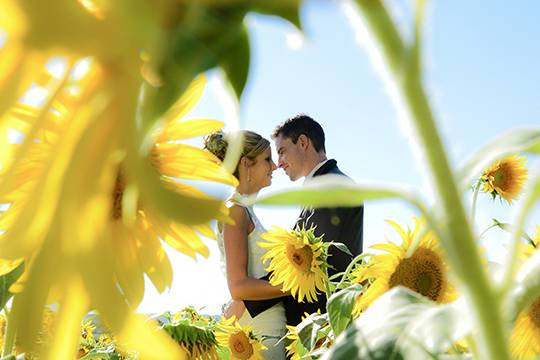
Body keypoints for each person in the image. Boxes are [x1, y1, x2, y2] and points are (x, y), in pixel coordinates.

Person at [244, 114, 364, 326]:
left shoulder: (332, 187)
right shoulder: (322, 186)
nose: (279, 163)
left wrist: (247, 301)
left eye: (281, 152)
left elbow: (306, 261)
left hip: (326, 326)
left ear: (302, 142)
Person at [204, 130, 287, 360]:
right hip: (259, 333)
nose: (274, 166)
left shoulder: (246, 211)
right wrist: (293, 284)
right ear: (246, 164)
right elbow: (238, 286)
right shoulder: (236, 211)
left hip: (268, 329)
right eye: (267, 160)